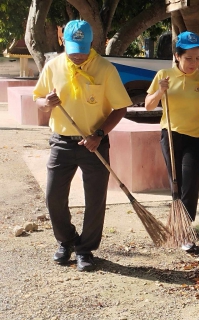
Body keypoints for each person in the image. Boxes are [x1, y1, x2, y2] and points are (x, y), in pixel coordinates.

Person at [33, 20, 132, 271]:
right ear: (63, 42)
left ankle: (85, 249)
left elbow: (120, 106)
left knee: (95, 200)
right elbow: (38, 99)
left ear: (92, 44)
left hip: (94, 143)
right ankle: (66, 240)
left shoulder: (105, 69)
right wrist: (47, 103)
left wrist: (99, 134)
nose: (77, 55)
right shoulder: (53, 66)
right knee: (53, 197)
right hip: (61, 143)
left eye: (82, 48)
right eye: (72, 48)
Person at [145, 31, 199, 251]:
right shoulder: (163, 75)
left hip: (196, 137)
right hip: (171, 135)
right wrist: (160, 91)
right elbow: (149, 105)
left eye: (197, 58)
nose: (194, 63)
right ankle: (178, 226)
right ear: (177, 56)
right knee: (175, 184)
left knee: (190, 183)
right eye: (189, 58)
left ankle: (186, 233)